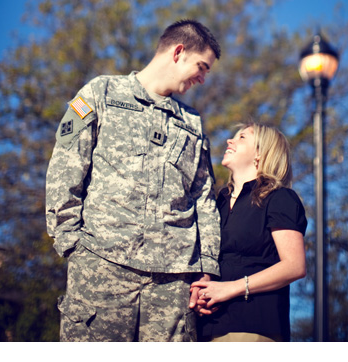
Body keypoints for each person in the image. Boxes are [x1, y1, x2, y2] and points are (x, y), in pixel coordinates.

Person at [45, 19, 222, 342]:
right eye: (201, 67)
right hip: (103, 266)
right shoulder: (101, 93)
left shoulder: (193, 124)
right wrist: (71, 243)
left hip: (172, 284)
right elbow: (66, 166)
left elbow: (204, 200)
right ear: (178, 52)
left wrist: (207, 266)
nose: (203, 78)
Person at [190, 122, 307, 342]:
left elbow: (295, 266)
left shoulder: (280, 198)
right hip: (207, 329)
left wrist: (231, 288)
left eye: (242, 137)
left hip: (253, 327)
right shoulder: (218, 202)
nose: (229, 140)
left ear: (260, 154)